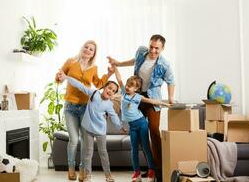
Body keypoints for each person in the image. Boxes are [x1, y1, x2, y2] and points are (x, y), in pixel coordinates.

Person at [107, 34, 175, 182]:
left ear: (162, 48)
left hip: (152, 99)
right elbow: (134, 61)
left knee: (154, 131)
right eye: (151, 46)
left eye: (157, 48)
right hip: (137, 96)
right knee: (140, 136)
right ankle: (151, 168)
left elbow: (171, 81)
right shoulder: (141, 52)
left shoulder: (164, 64)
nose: (153, 50)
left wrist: (170, 98)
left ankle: (160, 170)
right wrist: (118, 63)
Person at [55, 40, 113, 181]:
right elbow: (59, 78)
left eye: (91, 49)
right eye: (86, 47)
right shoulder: (70, 62)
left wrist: (109, 74)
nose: (88, 50)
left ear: (93, 54)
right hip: (70, 107)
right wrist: (59, 77)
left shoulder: (93, 68)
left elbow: (99, 84)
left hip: (85, 108)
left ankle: (82, 170)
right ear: (82, 48)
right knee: (74, 139)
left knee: (84, 141)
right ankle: (70, 168)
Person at [114, 66, 169, 182]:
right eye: (128, 84)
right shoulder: (123, 93)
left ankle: (151, 171)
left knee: (146, 147)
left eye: (131, 85)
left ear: (137, 89)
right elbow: (119, 79)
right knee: (133, 149)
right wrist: (115, 67)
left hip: (142, 123)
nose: (128, 87)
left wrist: (166, 104)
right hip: (132, 127)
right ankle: (136, 173)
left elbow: (152, 101)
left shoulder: (138, 97)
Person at [66, 76, 126, 182]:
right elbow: (80, 86)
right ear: (104, 87)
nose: (110, 91)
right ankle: (87, 176)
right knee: (88, 153)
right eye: (109, 88)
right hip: (88, 128)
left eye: (113, 91)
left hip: (100, 131)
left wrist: (120, 127)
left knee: (103, 153)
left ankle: (108, 175)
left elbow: (114, 117)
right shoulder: (94, 93)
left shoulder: (109, 105)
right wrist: (67, 77)